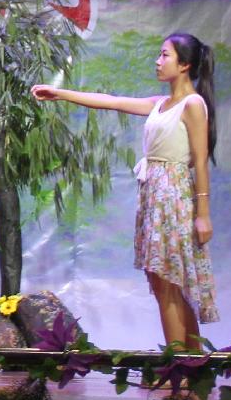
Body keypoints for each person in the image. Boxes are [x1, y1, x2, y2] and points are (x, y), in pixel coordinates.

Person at [31, 33, 218, 351]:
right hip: (154, 197)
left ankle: (181, 363)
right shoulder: (160, 104)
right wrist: (60, 93)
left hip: (174, 198)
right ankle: (191, 361)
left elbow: (200, 161)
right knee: (162, 281)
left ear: (185, 64)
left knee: (169, 281)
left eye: (165, 55)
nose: (158, 62)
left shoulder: (193, 104)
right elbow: (112, 101)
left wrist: (203, 215)